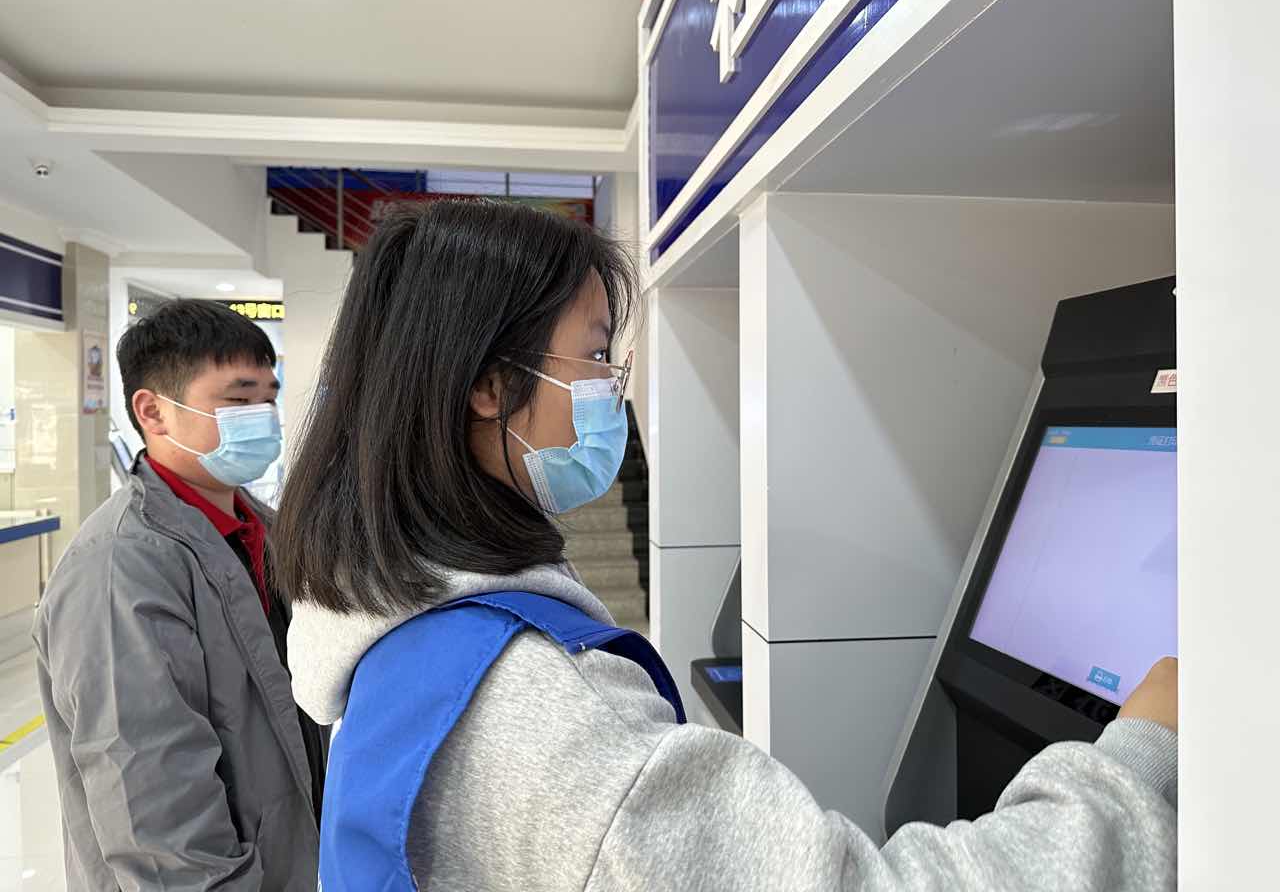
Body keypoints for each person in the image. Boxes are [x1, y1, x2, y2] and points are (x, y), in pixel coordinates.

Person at [276, 201, 1178, 891]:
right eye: (596, 356)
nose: (612, 390)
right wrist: (1142, 755)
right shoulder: (547, 712)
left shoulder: (402, 634)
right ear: (488, 385)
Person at [33, 300, 326, 891]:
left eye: (268, 398)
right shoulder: (121, 568)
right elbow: (153, 807)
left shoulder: (262, 533)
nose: (263, 417)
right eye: (237, 400)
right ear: (153, 412)